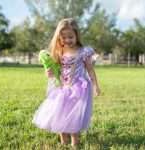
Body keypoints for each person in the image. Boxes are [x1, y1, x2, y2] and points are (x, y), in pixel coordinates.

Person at [32, 18, 101, 148]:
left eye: (70, 37)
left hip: (79, 88)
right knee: (60, 113)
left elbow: (90, 70)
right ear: (59, 38)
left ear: (76, 35)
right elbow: (55, 70)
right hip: (62, 88)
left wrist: (96, 85)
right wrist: (49, 73)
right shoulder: (59, 51)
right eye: (63, 37)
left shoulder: (83, 52)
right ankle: (64, 142)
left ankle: (75, 142)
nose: (67, 40)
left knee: (73, 116)